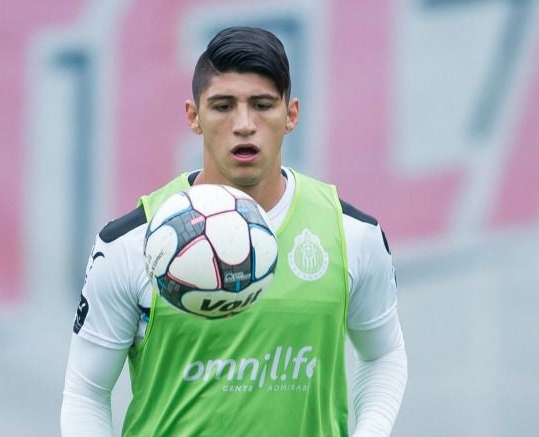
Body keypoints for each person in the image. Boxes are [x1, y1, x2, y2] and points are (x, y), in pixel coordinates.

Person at [61, 26, 407, 436]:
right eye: (223, 106)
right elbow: (86, 390)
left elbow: (384, 355)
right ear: (194, 116)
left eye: (262, 105)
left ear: (291, 114)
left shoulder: (352, 237)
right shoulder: (132, 243)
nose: (244, 124)